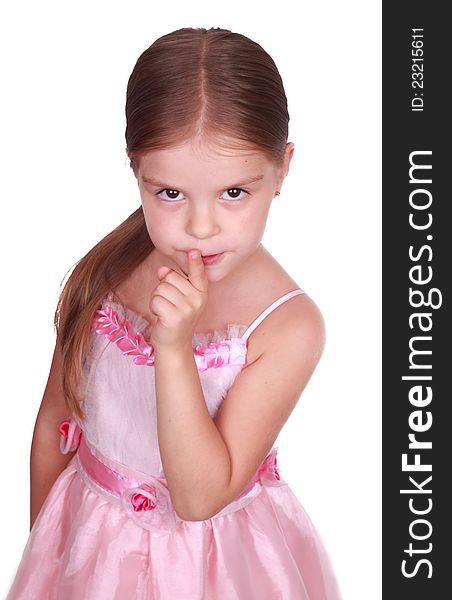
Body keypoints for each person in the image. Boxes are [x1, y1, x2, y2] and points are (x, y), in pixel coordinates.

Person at [6, 27, 342, 599]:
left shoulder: (288, 325)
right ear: (136, 170)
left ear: (283, 169)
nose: (201, 227)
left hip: (217, 573)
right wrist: (47, 552)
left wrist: (172, 348)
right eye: (170, 194)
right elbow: (52, 424)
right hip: (92, 561)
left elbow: (198, 497)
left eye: (235, 192)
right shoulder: (111, 269)